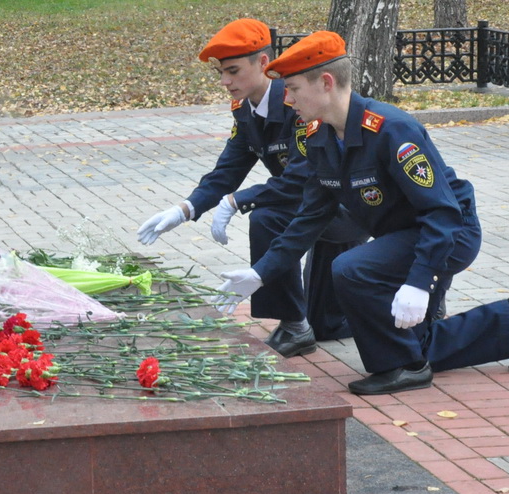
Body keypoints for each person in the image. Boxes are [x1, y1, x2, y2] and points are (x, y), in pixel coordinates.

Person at [216, 30, 509, 395]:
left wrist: (419, 281)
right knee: (414, 336)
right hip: (406, 235)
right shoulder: (320, 136)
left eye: (292, 89)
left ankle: (406, 368)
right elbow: (310, 216)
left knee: (353, 268)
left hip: (448, 233)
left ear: (325, 83)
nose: (287, 100)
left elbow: (442, 212)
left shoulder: (391, 130)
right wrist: (261, 273)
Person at [137, 18, 365, 357]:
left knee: (267, 217)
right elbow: (226, 171)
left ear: (262, 63)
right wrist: (185, 209)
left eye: (233, 71)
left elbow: (300, 179)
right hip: (310, 209)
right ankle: (299, 322)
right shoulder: (246, 111)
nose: (226, 82)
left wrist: (239, 200)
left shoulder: (300, 104)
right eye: (221, 73)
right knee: (328, 324)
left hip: (345, 209)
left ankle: (294, 327)